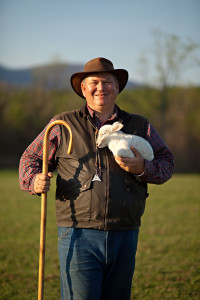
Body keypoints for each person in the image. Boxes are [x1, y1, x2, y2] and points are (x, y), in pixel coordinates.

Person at [19, 57, 174, 300]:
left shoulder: (139, 126)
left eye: (107, 82)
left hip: (125, 231)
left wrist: (142, 167)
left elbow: (167, 163)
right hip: (77, 233)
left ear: (117, 87)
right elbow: (31, 158)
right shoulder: (63, 124)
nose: (101, 87)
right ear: (83, 88)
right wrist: (33, 180)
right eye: (94, 82)